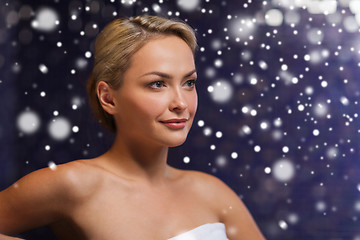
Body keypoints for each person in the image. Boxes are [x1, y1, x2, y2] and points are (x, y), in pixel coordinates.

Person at [0, 15, 265, 240]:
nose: (181, 103)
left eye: (189, 83)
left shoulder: (213, 193)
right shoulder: (73, 185)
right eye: (157, 84)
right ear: (108, 97)